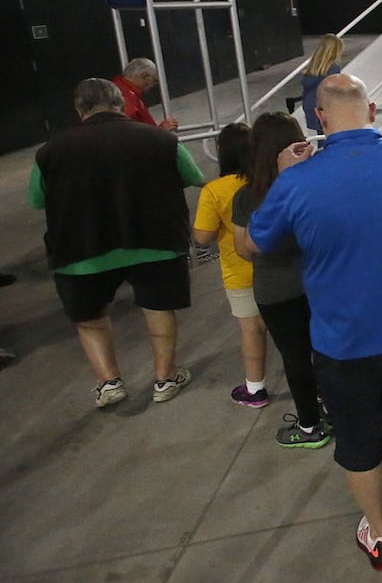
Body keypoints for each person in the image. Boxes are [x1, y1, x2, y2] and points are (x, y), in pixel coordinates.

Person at [244, 74, 382, 572]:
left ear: (318, 119)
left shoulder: (300, 179)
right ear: (373, 111)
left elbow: (257, 242)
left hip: (343, 342)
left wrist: (283, 175)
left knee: (360, 440)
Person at [29, 78, 204, 408]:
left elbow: (37, 200)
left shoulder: (50, 151)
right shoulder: (161, 141)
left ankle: (109, 383)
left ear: (79, 110)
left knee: (91, 319)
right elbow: (194, 176)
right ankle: (165, 379)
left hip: (81, 250)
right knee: (158, 309)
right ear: (121, 105)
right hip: (155, 241)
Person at [232, 112, 331, 449]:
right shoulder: (316, 184)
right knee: (327, 351)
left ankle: (309, 426)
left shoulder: (248, 197)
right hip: (319, 281)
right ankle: (335, 408)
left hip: (276, 291)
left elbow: (244, 249)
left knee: (295, 357)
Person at [192, 122, 269, 408]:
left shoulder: (215, 190)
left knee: (251, 330)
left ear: (222, 152)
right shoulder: (268, 181)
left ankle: (255, 389)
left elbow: (202, 236)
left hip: (240, 273)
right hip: (277, 268)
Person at [112, 58, 179, 131]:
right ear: (145, 76)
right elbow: (128, 132)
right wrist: (161, 130)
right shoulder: (126, 97)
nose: (154, 86)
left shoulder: (121, 89)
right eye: (154, 81)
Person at [301, 34, 343, 136]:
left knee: (320, 138)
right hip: (324, 107)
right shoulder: (333, 70)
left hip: (310, 107)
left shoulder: (311, 69)